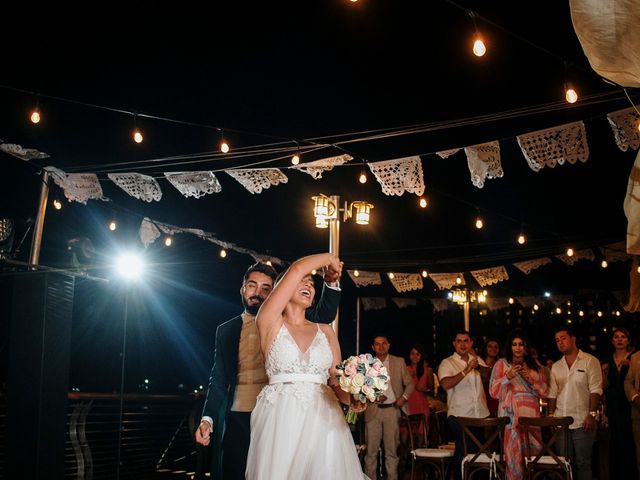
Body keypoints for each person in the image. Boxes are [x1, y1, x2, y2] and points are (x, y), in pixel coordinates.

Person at [195, 260, 341, 480]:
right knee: (235, 471)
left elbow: (325, 313)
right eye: (252, 285)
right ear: (243, 288)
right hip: (239, 415)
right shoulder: (226, 330)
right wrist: (208, 418)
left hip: (281, 413)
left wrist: (331, 284)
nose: (258, 292)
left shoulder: (288, 321)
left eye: (266, 288)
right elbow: (218, 378)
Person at [245, 253, 368, 479]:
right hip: (280, 418)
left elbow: (334, 379)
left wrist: (354, 398)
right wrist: (330, 258)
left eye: (312, 284)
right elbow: (297, 268)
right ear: (281, 290)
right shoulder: (268, 321)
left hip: (325, 419)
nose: (308, 286)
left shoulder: (326, 331)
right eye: (303, 282)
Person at [489, 329, 548, 480]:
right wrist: (507, 377)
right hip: (510, 417)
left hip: (531, 416)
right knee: (513, 458)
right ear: (510, 346)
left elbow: (544, 392)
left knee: (531, 458)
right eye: (514, 344)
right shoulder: (501, 364)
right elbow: (493, 391)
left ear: (526, 346)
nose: (517, 348)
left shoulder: (535, 365)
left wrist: (531, 380)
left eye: (521, 344)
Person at [547, 327, 603, 480]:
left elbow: (596, 390)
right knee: (565, 464)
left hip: (582, 421)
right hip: (561, 422)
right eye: (557, 340)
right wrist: (551, 415)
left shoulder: (590, 361)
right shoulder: (557, 366)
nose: (560, 342)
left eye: (563, 338)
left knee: (583, 463)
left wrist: (592, 415)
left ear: (573, 339)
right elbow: (552, 393)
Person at [438, 330, 490, 480]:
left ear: (471, 343)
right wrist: (466, 369)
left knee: (478, 453)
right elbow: (445, 384)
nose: (462, 344)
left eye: (466, 341)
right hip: (459, 415)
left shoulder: (477, 360)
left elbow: (489, 377)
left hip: (479, 414)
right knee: (464, 450)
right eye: (459, 341)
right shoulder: (447, 362)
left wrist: (478, 367)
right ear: (454, 344)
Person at [364, 335, 415, 480]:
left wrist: (403, 398)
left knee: (391, 452)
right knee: (371, 453)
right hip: (373, 411)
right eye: (377, 344)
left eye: (384, 343)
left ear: (389, 345)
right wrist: (373, 396)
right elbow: (360, 388)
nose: (381, 347)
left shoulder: (398, 362)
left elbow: (410, 384)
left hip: (392, 411)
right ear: (373, 348)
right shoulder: (367, 364)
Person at [603, 328, 636, 478]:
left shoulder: (634, 359)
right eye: (616, 337)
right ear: (612, 341)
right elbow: (604, 386)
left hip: (630, 405)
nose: (620, 339)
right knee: (614, 442)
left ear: (628, 341)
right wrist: (603, 372)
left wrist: (631, 366)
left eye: (623, 337)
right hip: (613, 405)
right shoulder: (608, 360)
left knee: (629, 441)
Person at [405, 344, 434, 431]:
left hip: (422, 406)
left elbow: (432, 392)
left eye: (418, 354)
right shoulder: (405, 370)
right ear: (409, 355)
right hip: (408, 405)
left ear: (422, 356)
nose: (415, 356)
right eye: (412, 354)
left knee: (421, 435)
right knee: (408, 436)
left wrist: (425, 390)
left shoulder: (428, 370)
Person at [481, 338, 501, 417]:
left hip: (496, 401)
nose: (493, 349)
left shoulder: (501, 365)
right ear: (485, 348)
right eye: (490, 346)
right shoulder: (479, 363)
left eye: (496, 347)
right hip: (482, 399)